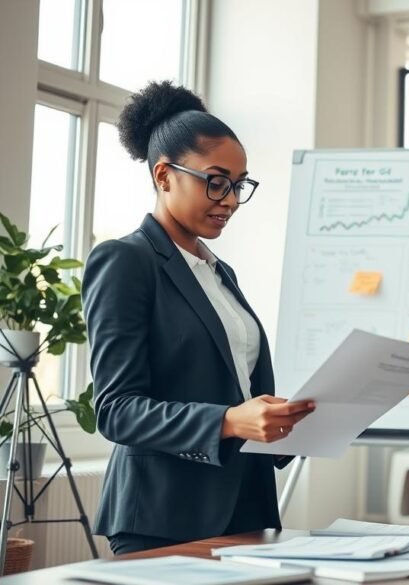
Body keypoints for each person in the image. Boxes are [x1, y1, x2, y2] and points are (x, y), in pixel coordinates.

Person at [82, 81, 316, 555]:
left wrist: (287, 419)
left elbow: (236, 389)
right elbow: (116, 409)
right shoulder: (125, 261)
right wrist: (229, 421)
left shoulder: (218, 272)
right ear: (164, 175)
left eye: (239, 184)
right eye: (216, 181)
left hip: (247, 509)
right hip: (165, 514)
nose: (230, 200)